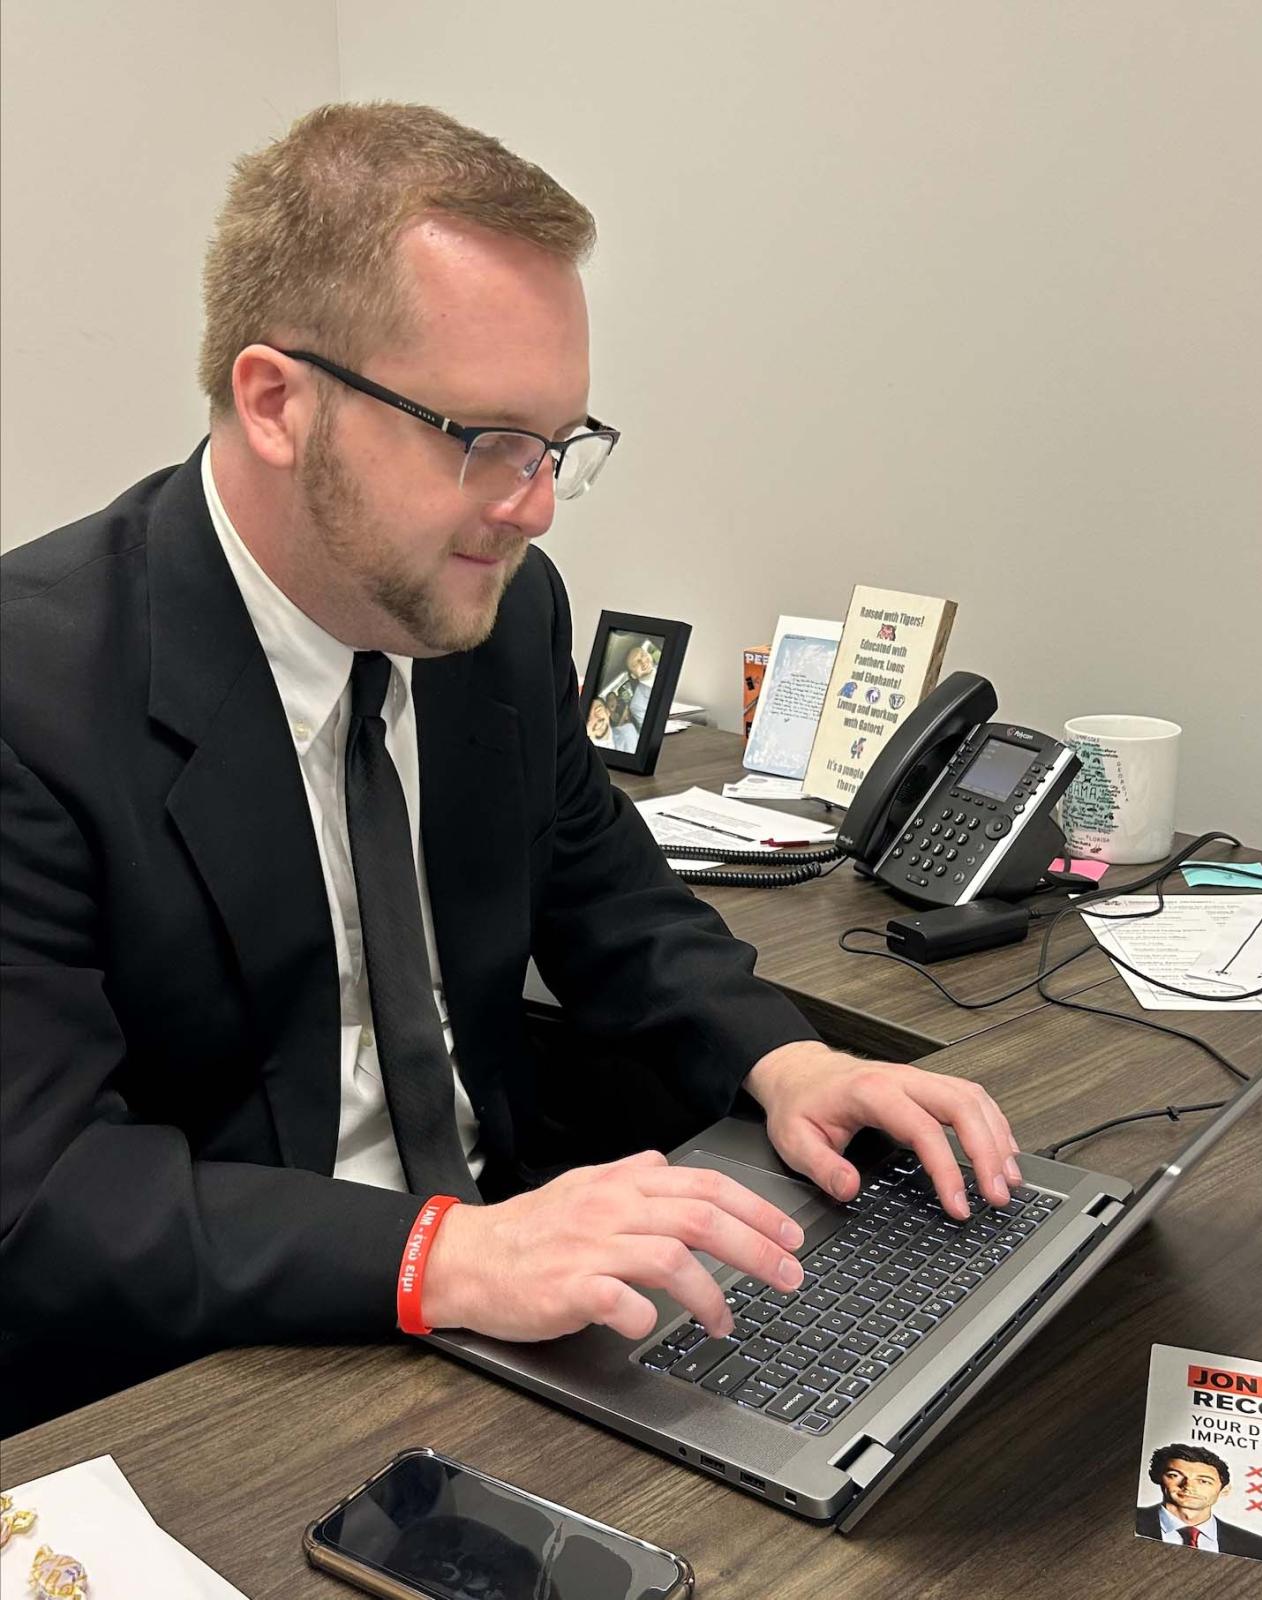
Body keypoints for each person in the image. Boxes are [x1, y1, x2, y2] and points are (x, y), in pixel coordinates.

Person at [0, 102, 1021, 1432]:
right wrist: (443, 1257)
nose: (532, 506)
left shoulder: (498, 610)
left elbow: (605, 892)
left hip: (514, 1289)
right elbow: (47, 1196)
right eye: (482, 440)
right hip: (205, 1371)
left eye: (558, 447)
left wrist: (787, 1062)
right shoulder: (34, 693)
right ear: (275, 402)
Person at [1136, 1444, 1262, 1562]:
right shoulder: (1130, 1519)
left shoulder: (1260, 1548)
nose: (1188, 1486)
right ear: (1158, 1478)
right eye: (1174, 1475)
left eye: (1204, 1481)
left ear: (1224, 1490)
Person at [624, 640, 658, 729]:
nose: (643, 661)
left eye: (643, 655)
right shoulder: (637, 705)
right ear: (633, 675)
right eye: (636, 663)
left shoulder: (669, 666)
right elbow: (651, 729)